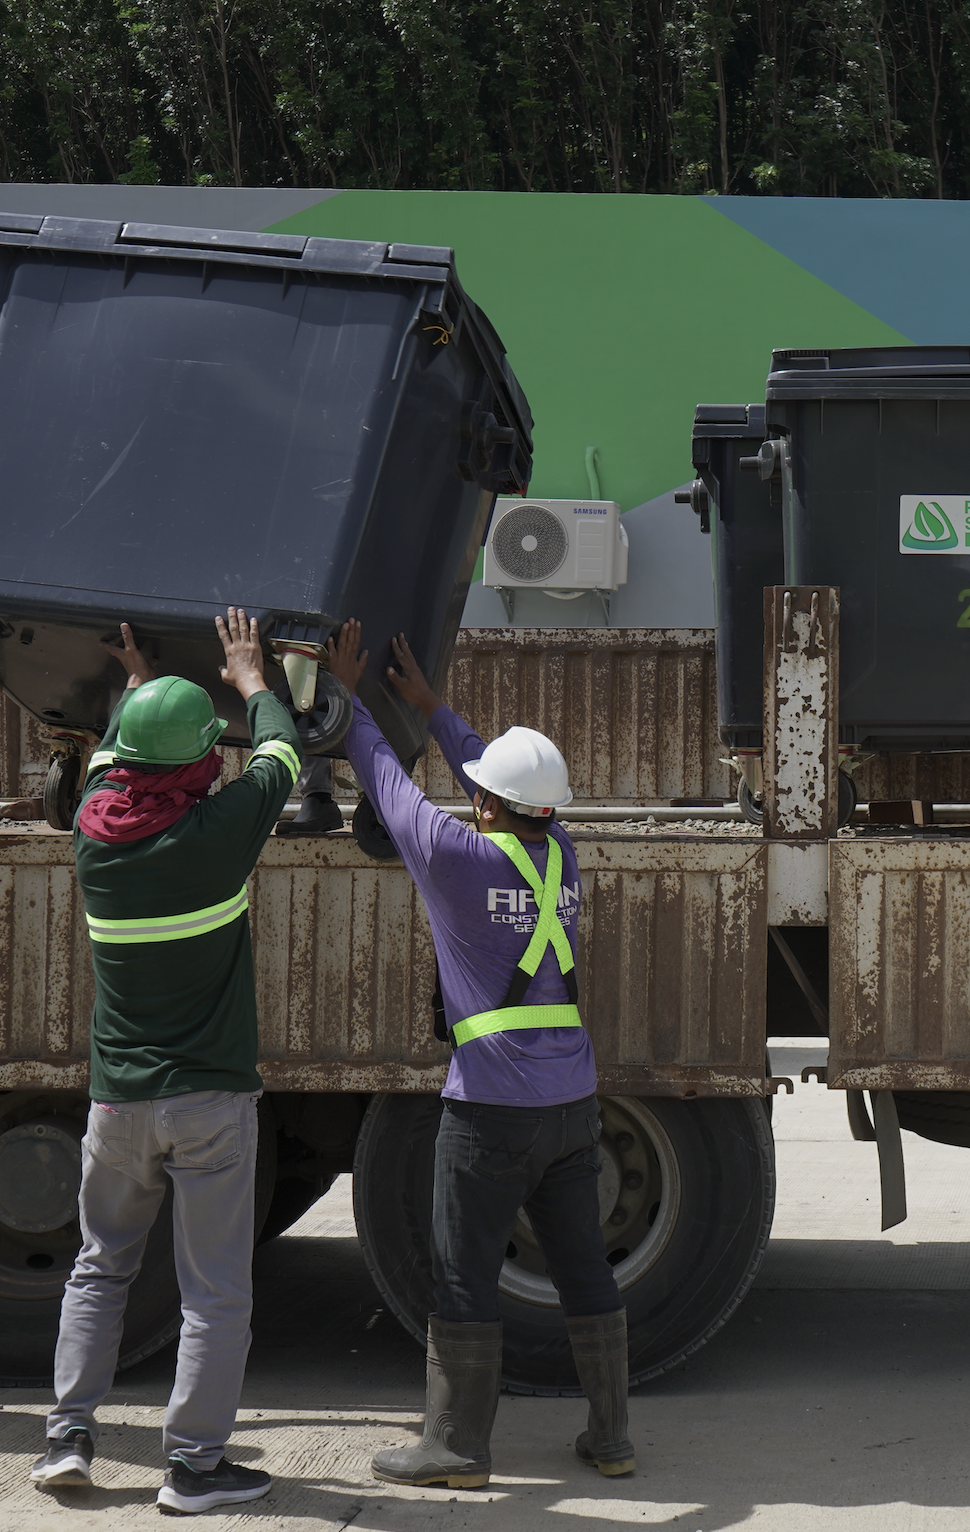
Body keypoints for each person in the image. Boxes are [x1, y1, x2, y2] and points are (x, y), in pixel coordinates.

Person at [332, 618, 633, 1490]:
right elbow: (497, 784)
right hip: (573, 1107)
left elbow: (383, 781)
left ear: (486, 807)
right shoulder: (562, 855)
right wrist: (436, 709)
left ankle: (456, 1448)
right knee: (584, 1266)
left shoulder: (454, 857)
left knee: (464, 1277)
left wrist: (356, 698)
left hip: (489, 1111)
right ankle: (612, 1438)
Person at [33, 610, 300, 1516]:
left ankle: (68, 1440)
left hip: (117, 1110)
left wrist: (140, 684)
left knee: (99, 1267)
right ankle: (193, 1467)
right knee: (213, 1293)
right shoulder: (216, 841)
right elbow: (281, 760)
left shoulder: (90, 840)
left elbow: (120, 763)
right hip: (210, 1106)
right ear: (193, 767)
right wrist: (251, 676)